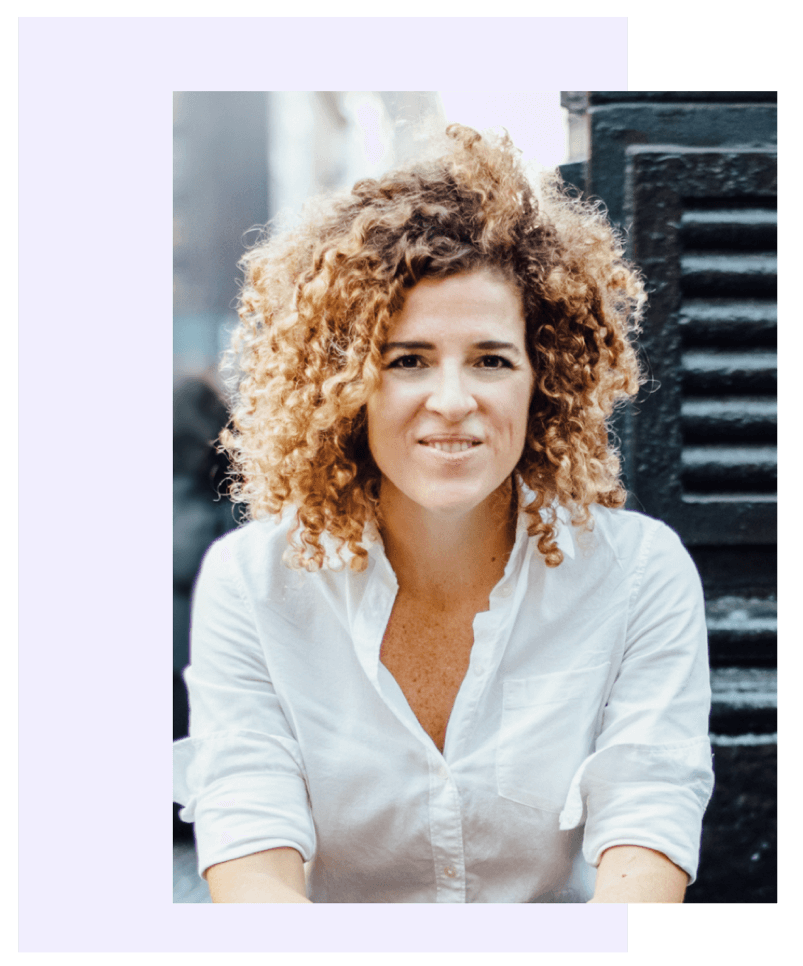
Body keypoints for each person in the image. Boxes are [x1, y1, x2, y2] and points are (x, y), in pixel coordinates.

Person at [173, 124, 714, 903]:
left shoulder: (638, 572)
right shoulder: (253, 581)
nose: (454, 401)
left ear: (543, 378)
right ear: (346, 386)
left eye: (491, 359)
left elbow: (648, 814)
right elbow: (249, 826)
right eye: (408, 360)